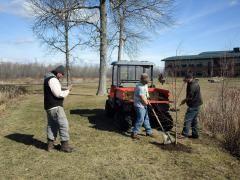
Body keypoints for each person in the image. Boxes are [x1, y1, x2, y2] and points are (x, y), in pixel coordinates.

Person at [44, 65, 74, 152]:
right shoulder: (53, 79)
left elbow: (55, 89)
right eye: (62, 74)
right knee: (63, 125)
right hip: (55, 106)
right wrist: (68, 90)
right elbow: (58, 94)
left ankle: (50, 146)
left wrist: (65, 88)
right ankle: (64, 146)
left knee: (52, 125)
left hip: (49, 106)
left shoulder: (48, 78)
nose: (62, 76)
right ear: (58, 73)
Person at [180, 73, 203, 139]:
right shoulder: (191, 82)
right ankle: (195, 134)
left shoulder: (193, 85)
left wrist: (184, 101)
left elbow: (190, 96)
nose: (185, 80)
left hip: (193, 105)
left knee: (187, 119)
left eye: (186, 79)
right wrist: (185, 82)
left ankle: (184, 135)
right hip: (197, 104)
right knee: (194, 120)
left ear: (189, 78)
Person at [131, 73, 154, 139]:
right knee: (140, 118)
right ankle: (134, 133)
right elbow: (142, 97)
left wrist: (148, 98)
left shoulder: (145, 85)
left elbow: (146, 93)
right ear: (142, 80)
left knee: (146, 118)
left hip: (144, 103)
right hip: (139, 105)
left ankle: (149, 132)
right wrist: (147, 104)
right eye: (145, 81)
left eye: (147, 82)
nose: (146, 83)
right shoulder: (139, 87)